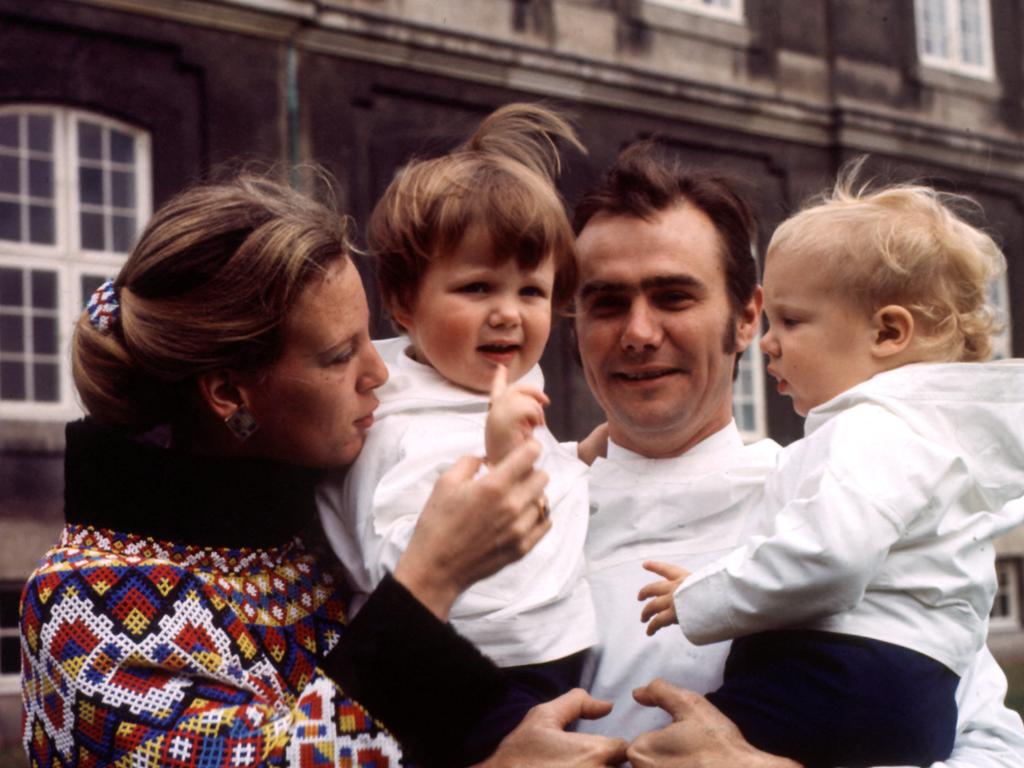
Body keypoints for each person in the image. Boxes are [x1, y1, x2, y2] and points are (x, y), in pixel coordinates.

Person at [18, 172, 626, 768]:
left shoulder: (314, 519)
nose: (380, 375)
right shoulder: (82, 600)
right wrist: (430, 578)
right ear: (230, 393)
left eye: (371, 340)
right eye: (340, 356)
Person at [568, 141, 1024, 768]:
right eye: (606, 302)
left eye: (675, 297)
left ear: (748, 316)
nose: (640, 334)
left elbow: (997, 751)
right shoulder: (505, 514)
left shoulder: (854, 495)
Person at [317, 104, 597, 692]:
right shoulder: (393, 425)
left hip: (552, 651)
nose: (508, 313)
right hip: (476, 674)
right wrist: (498, 462)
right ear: (402, 302)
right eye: (476, 287)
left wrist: (574, 456)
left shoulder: (482, 382)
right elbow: (398, 566)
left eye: (531, 290)